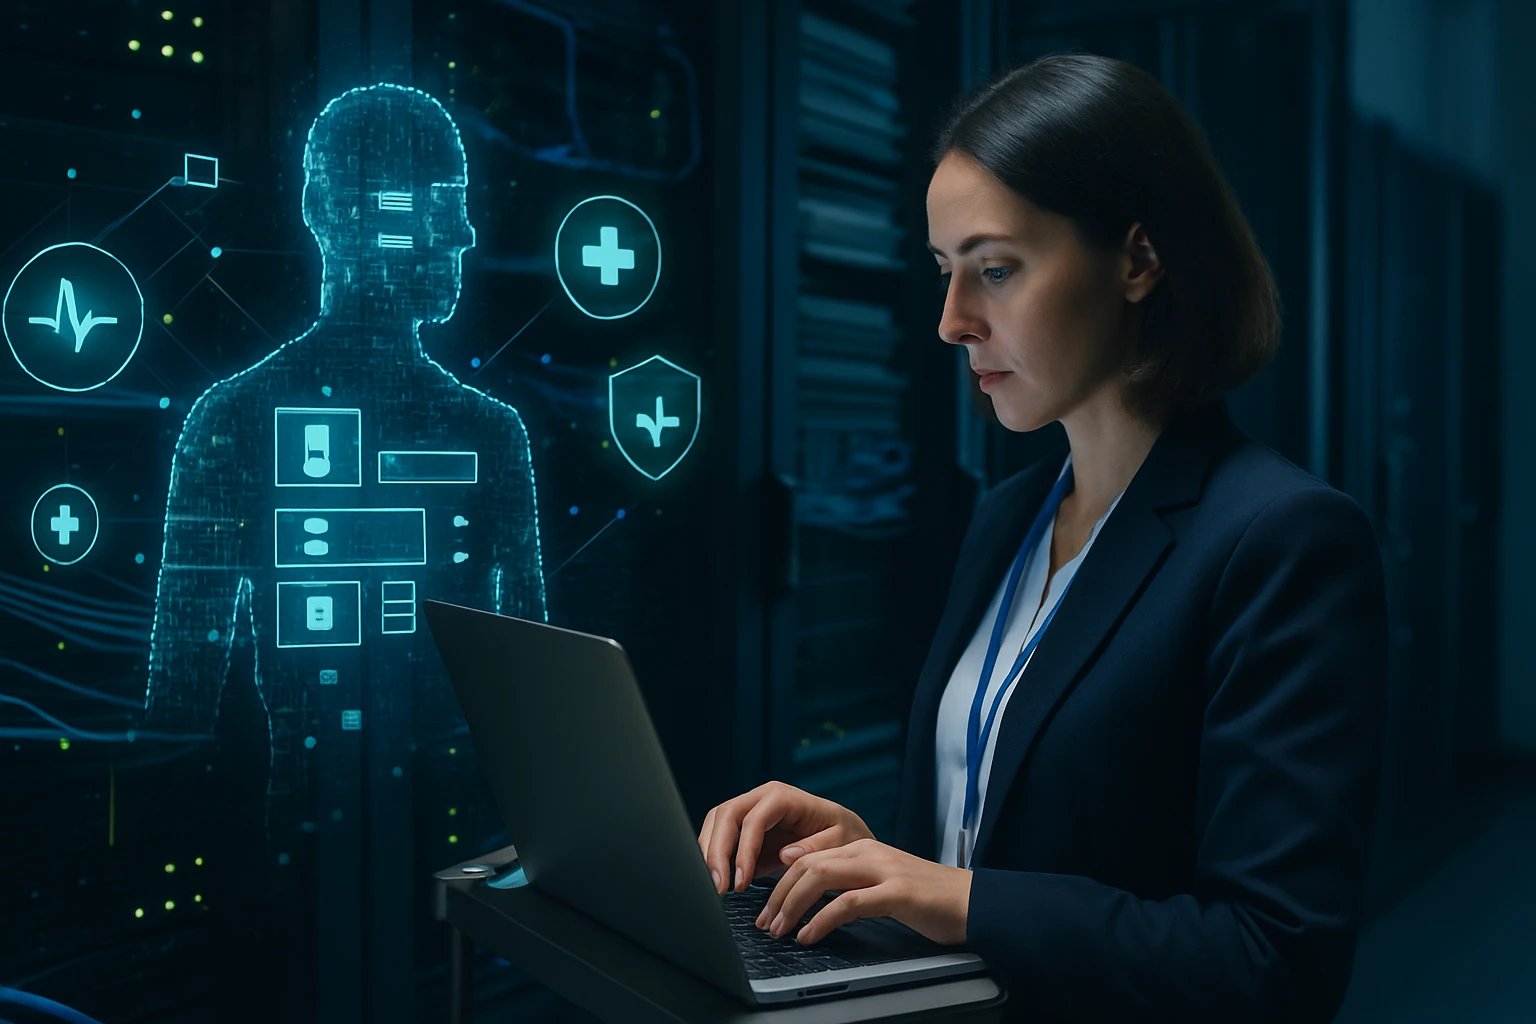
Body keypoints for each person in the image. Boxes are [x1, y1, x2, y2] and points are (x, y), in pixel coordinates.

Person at [698, 53, 1387, 1022]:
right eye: (946, 273)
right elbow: (1003, 855)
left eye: (997, 269)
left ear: (1140, 261)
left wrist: (959, 895)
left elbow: (1272, 963)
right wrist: (873, 861)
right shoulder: (1006, 516)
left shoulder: (1283, 540)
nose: (951, 322)